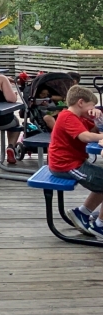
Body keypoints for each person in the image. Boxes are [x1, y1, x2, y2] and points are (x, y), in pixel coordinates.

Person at [47, 85, 103, 238]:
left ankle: (82, 213)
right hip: (65, 165)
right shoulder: (67, 117)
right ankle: (99, 226)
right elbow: (85, 137)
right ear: (81, 103)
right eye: (91, 105)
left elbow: (94, 131)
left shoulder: (80, 118)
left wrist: (97, 118)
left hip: (72, 162)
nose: (93, 108)